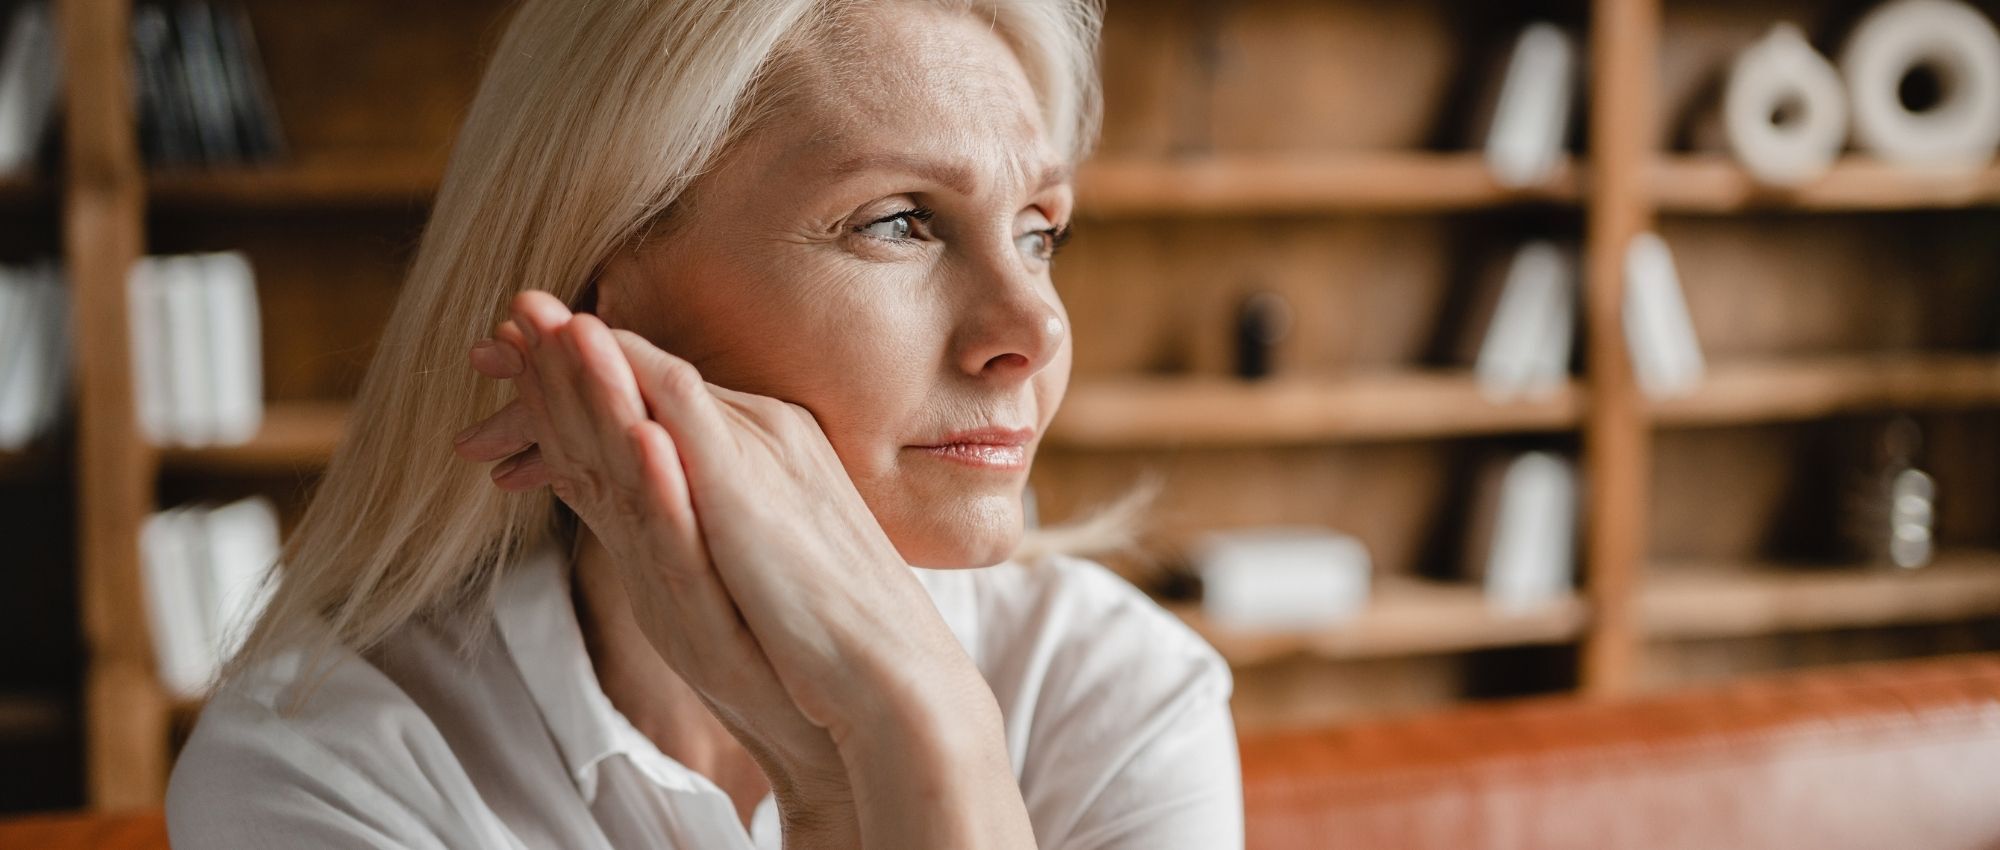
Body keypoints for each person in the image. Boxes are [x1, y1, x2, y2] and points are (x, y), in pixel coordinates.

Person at [166, 0, 1242, 847]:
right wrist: (873, 761)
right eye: (900, 222)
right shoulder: (327, 769)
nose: (1032, 327)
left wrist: (915, 740)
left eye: (1038, 231)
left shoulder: (1117, 690)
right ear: (601, 295)